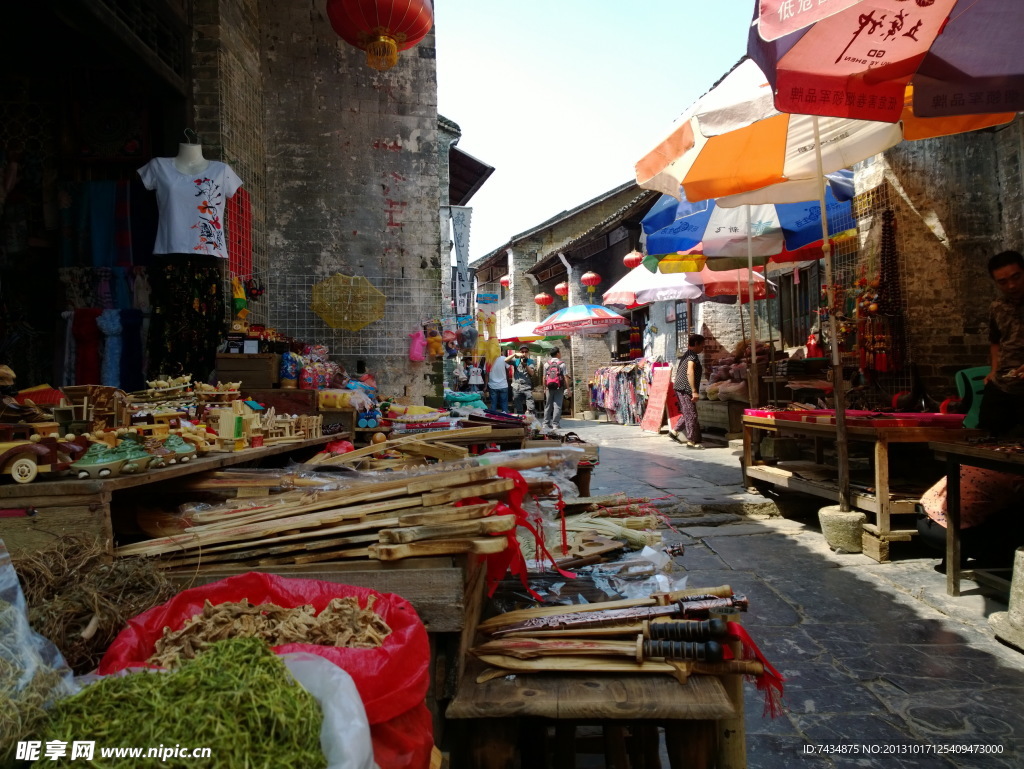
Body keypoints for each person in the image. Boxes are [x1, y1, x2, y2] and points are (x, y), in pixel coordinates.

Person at [980, 250, 1024, 437]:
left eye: (1016, 277)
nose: (1012, 285)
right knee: (986, 436)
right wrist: (993, 370)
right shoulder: (997, 307)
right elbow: (995, 341)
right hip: (1003, 382)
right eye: (1003, 282)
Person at [670, 334, 705, 449]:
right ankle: (691, 441)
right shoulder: (692, 356)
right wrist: (694, 391)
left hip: (680, 387)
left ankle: (674, 432)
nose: (703, 348)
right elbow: (690, 372)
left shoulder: (688, 354)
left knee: (687, 412)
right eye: (702, 345)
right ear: (696, 344)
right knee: (692, 415)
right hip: (685, 388)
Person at [542, 348, 567, 431]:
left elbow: (544, 377)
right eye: (560, 352)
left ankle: (546, 424)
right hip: (559, 387)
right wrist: (568, 389)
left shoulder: (546, 364)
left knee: (548, 405)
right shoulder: (562, 364)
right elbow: (565, 377)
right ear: (557, 353)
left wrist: (544, 388)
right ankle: (555, 424)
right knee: (557, 405)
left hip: (549, 387)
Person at [507, 345, 536, 415]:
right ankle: (520, 420)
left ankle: (530, 419)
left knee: (530, 407)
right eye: (522, 351)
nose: (524, 353)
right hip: (517, 387)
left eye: (526, 352)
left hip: (527, 386)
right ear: (520, 352)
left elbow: (532, 373)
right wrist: (514, 354)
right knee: (518, 408)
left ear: (528, 353)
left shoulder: (530, 361)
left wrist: (525, 365)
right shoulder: (516, 361)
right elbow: (506, 360)